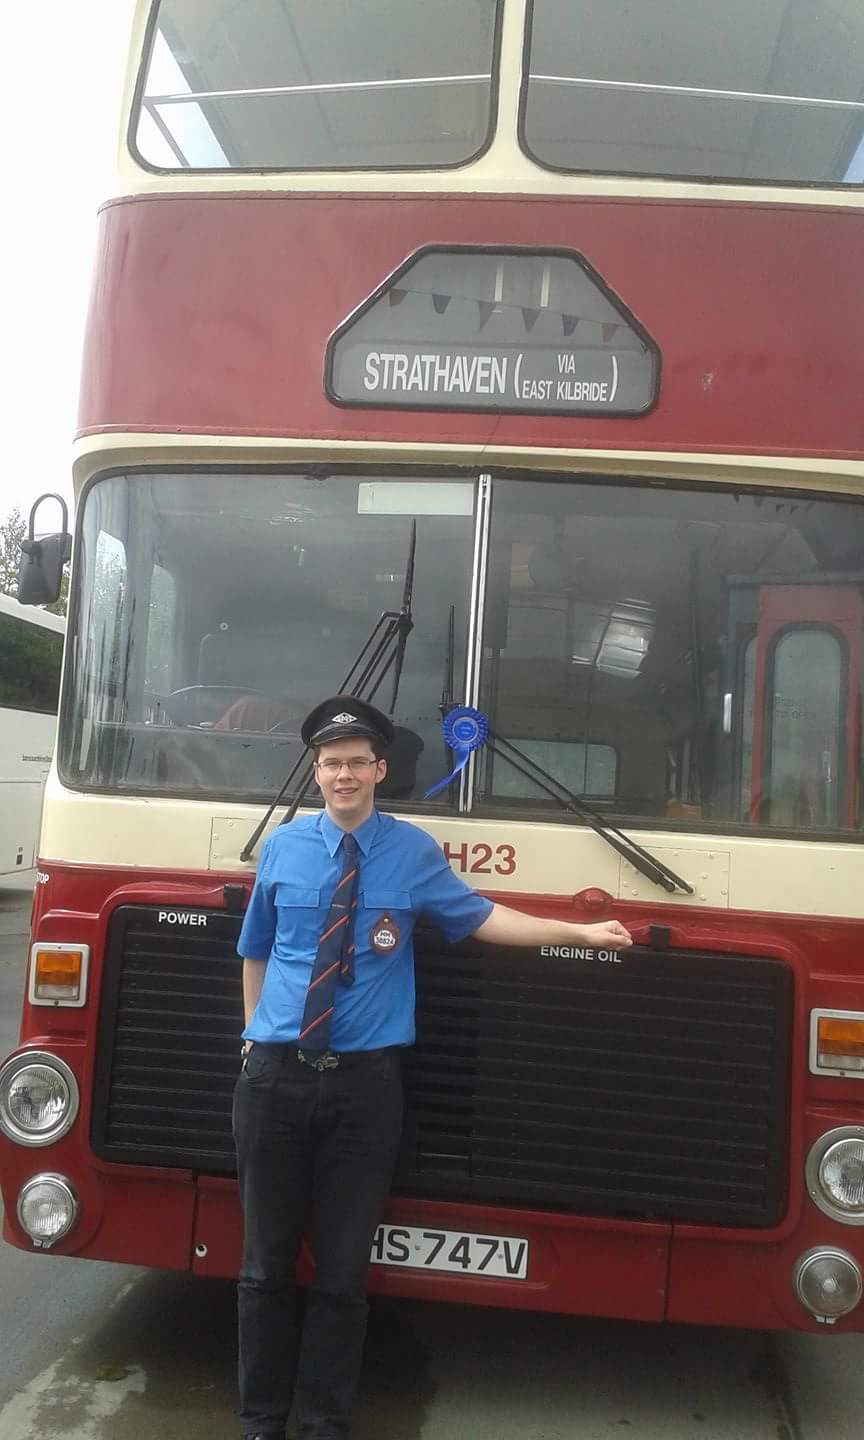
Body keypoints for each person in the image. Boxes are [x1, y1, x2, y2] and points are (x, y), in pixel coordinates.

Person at [233, 695, 632, 1440]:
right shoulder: (282, 849)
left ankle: (322, 1424)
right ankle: (260, 1421)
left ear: (379, 771)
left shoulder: (413, 853)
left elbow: (483, 917)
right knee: (262, 1267)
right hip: (274, 1083)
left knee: (342, 1275)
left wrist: (576, 932)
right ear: (316, 772)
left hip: (364, 1091)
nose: (344, 775)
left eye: (357, 763)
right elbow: (255, 948)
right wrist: (253, 1040)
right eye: (331, 763)